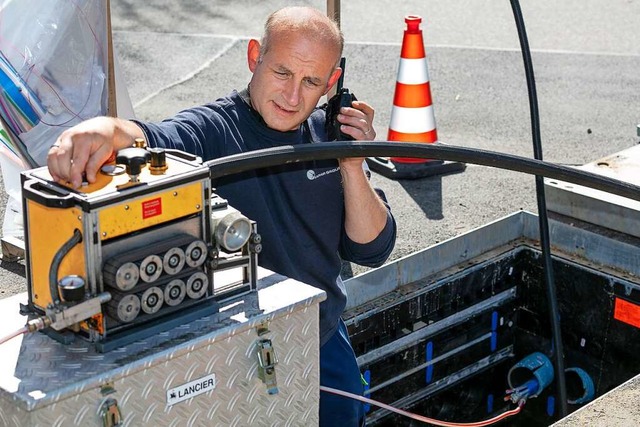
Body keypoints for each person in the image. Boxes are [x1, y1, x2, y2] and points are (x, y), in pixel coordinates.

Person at [48, 6, 396, 426]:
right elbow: (150, 136)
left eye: (311, 82)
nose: (292, 97)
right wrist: (102, 130)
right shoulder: (214, 129)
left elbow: (373, 248)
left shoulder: (333, 134)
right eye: (282, 73)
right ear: (255, 57)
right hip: (236, 347)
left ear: (332, 85)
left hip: (319, 336)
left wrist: (352, 163)